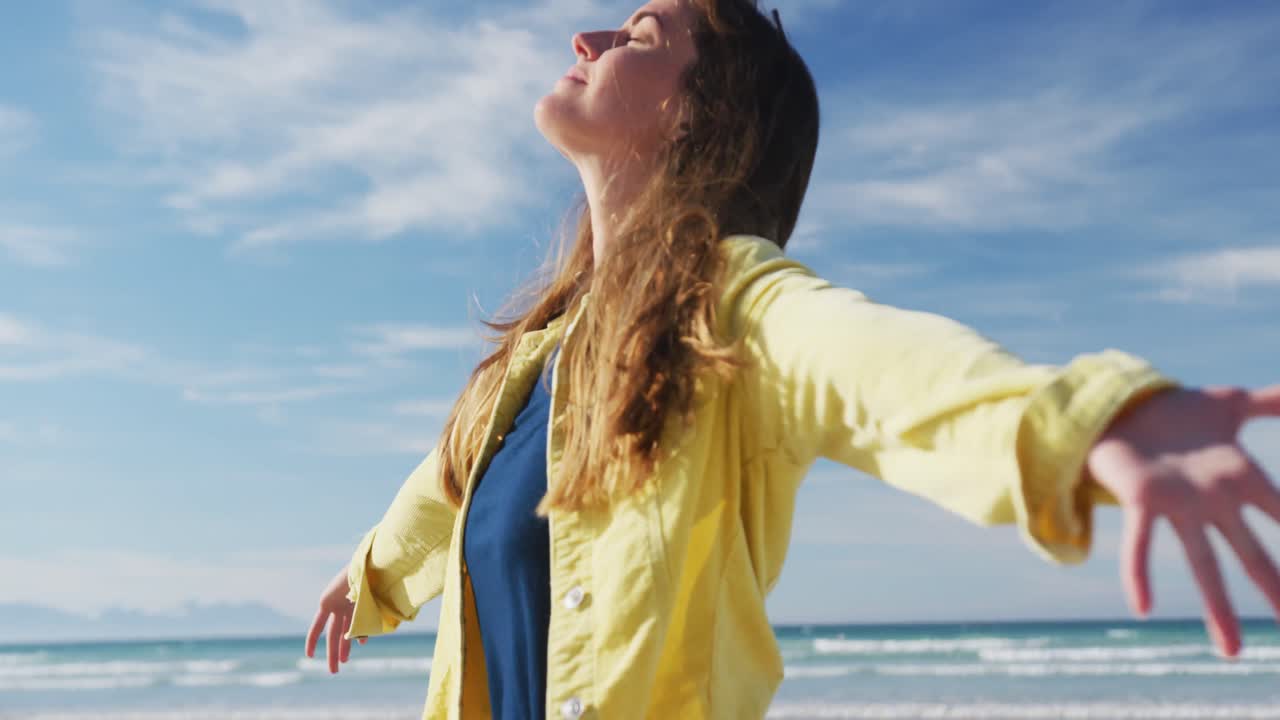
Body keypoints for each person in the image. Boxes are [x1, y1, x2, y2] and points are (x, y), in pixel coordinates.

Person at [305, 1, 1280, 717]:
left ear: (700, 116)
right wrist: (370, 573)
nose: (587, 39)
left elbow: (870, 367)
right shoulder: (534, 360)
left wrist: (1089, 416)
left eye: (640, 35)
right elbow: (443, 489)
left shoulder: (728, 304)